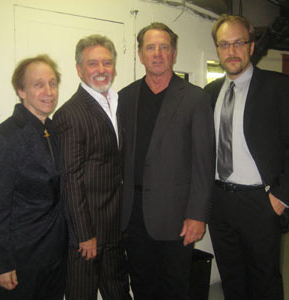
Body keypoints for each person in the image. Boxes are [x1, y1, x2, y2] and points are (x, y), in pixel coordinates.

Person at [204, 15, 289, 300]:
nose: (231, 51)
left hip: (260, 202)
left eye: (238, 42)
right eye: (224, 44)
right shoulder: (210, 93)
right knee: (232, 278)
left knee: (265, 281)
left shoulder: (278, 86)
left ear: (251, 46)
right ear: (217, 50)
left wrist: (281, 197)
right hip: (219, 202)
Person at [118, 22, 215, 300]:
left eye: (164, 47)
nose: (157, 53)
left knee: (174, 288)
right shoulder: (126, 97)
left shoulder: (195, 98)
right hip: (134, 215)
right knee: (141, 285)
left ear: (173, 54)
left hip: (176, 217)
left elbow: (203, 163)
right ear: (140, 54)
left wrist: (197, 215)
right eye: (150, 47)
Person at [0, 54, 67, 300]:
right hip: (22, 259)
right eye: (38, 84)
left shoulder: (54, 131)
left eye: (53, 83)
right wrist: (1, 263)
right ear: (21, 90)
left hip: (55, 256)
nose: (49, 91)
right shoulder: (6, 137)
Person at [53, 34, 131, 300]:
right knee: (81, 295)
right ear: (79, 69)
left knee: (119, 293)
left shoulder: (117, 103)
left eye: (107, 63)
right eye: (93, 64)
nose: (101, 70)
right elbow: (70, 180)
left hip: (114, 229)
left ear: (114, 67)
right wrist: (85, 235)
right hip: (87, 237)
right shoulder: (70, 114)